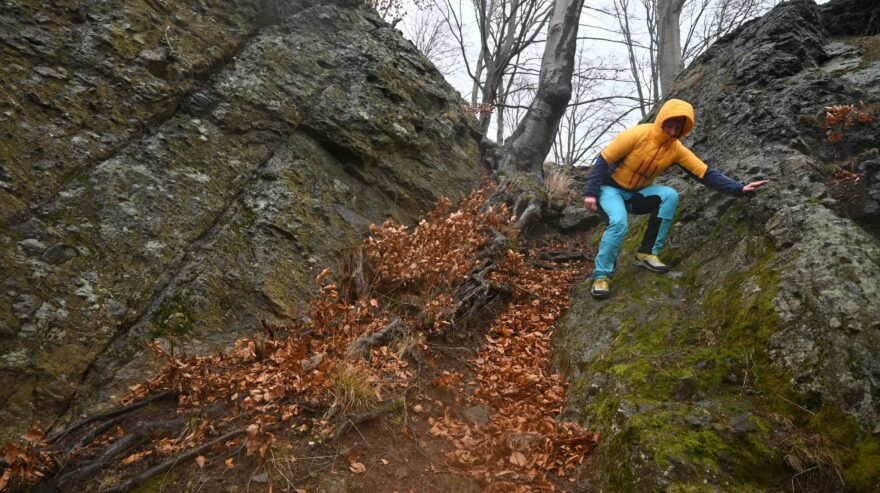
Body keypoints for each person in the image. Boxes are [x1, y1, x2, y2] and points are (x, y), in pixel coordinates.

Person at [583, 98, 768, 299]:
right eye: (669, 125)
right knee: (619, 223)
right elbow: (604, 159)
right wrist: (591, 193)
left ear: (683, 129)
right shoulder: (638, 134)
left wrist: (739, 189)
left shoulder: (676, 149)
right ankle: (602, 277)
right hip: (610, 190)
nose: (672, 132)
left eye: (677, 128)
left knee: (669, 195)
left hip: (636, 195)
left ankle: (647, 253)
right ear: (661, 121)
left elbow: (705, 173)